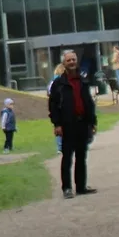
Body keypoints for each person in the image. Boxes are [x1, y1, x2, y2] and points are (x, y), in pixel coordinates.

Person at [47, 49, 98, 199]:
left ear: (77, 61)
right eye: (68, 60)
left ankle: (81, 186)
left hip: (82, 123)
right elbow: (53, 106)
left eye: (73, 60)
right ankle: (67, 188)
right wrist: (57, 124)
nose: (71, 62)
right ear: (64, 63)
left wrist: (92, 121)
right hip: (67, 125)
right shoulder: (58, 84)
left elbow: (88, 102)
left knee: (81, 156)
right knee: (67, 157)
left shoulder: (83, 81)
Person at [46, 63, 65, 153]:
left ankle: (60, 147)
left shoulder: (52, 82)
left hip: (56, 108)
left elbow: (49, 94)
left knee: (58, 127)